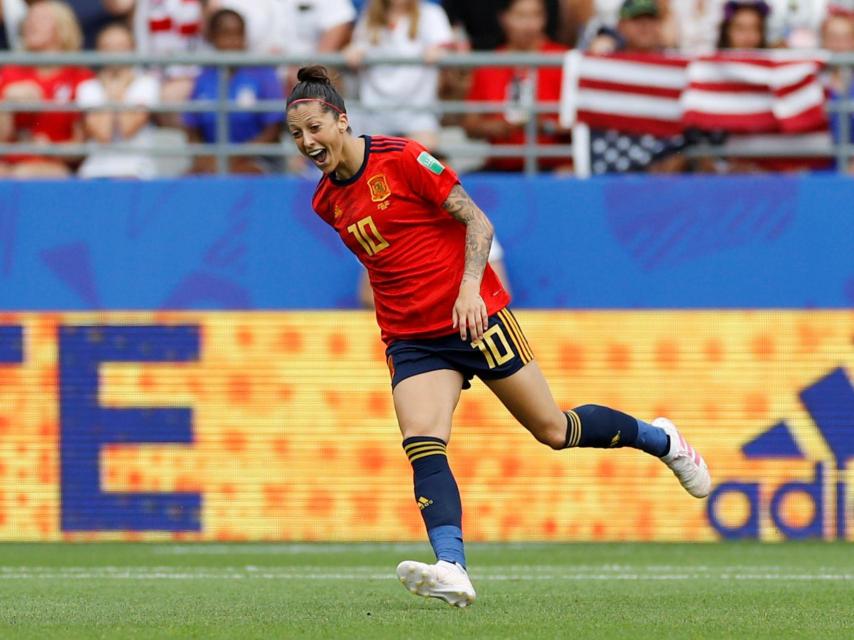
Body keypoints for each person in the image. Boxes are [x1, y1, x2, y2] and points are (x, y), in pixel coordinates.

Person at [286, 64, 711, 608]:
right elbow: (389, 261)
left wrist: (467, 290)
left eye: (315, 128)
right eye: (297, 135)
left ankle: (663, 441)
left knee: (554, 430)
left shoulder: (403, 158)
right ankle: (452, 567)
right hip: (412, 338)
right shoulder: (326, 201)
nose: (307, 142)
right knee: (423, 442)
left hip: (475, 316)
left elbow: (478, 223)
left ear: (341, 121)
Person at [462, 0, 571, 172]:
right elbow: (470, 125)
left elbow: (582, 122)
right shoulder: (488, 65)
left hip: (554, 167)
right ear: (504, 18)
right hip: (501, 167)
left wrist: (544, 126)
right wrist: (495, 127)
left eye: (536, 15)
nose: (529, 25)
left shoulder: (564, 60)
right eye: (521, 16)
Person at [183, 8, 285, 174]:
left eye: (238, 34)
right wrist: (205, 158)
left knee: (244, 176)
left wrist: (235, 157)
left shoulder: (263, 73)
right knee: (184, 184)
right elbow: (192, 128)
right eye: (225, 34)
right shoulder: (204, 77)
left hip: (256, 160)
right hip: (212, 161)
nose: (233, 41)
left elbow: (272, 131)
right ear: (213, 38)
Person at [0, 0, 93, 177]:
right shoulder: (9, 72)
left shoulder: (80, 77)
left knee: (25, 175)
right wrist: (6, 101)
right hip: (8, 165)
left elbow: (83, 144)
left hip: (54, 168)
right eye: (29, 19)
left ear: (62, 27)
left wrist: (51, 149)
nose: (31, 24)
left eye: (41, 19)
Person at [344, 0, 454, 150]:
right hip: (374, 112)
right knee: (370, 166)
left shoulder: (431, 14)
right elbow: (355, 50)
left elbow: (446, 47)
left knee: (421, 162)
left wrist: (441, 52)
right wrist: (351, 52)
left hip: (418, 112)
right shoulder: (369, 16)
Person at [76, 21, 159, 178]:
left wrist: (113, 94)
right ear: (99, 51)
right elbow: (103, 135)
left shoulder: (147, 84)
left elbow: (127, 129)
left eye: (121, 47)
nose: (115, 53)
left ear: (133, 49)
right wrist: (114, 93)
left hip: (136, 172)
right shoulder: (87, 87)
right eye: (108, 47)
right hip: (95, 172)